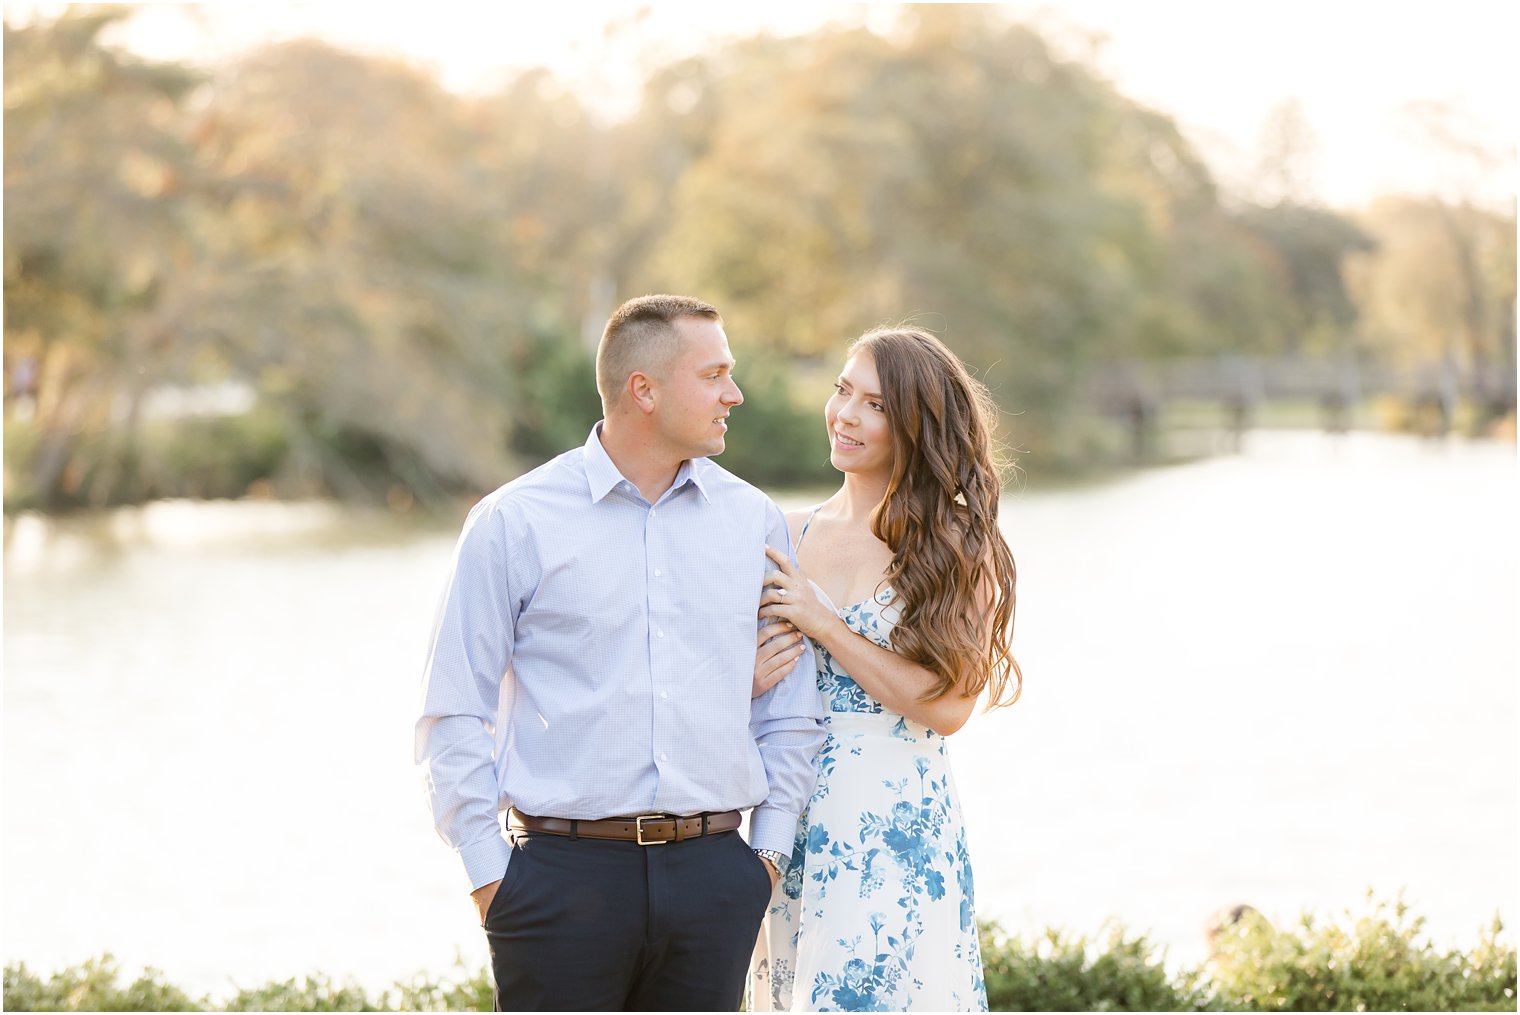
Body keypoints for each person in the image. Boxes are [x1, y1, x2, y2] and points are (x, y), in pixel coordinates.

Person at [416, 294, 827, 1012]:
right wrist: (492, 879)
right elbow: (453, 711)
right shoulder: (513, 522)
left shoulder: (753, 522)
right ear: (645, 389)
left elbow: (791, 709)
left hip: (715, 881)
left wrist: (764, 860)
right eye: (715, 374)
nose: (736, 393)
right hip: (560, 883)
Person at [748, 327, 1021, 1012]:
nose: (844, 414)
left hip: (890, 825)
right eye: (842, 390)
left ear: (913, 424)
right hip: (786, 815)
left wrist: (827, 627)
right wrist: (746, 679)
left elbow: (950, 706)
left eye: (872, 403)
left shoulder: (956, 543)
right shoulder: (784, 533)